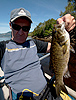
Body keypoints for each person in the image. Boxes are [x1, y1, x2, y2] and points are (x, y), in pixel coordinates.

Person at [0, 8, 75, 100]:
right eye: (16, 27)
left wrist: (67, 28)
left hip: (49, 91)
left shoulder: (34, 43)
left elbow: (57, 47)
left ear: (29, 28)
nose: (20, 32)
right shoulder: (3, 47)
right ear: (10, 25)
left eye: (25, 28)